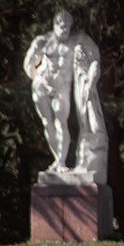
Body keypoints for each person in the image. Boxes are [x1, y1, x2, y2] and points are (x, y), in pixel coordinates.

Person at [24, 10, 105, 182]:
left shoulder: (78, 40)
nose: (64, 28)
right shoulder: (44, 41)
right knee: (47, 122)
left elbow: (95, 59)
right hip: (42, 85)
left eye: (67, 26)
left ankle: (61, 162)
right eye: (61, 25)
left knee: (61, 122)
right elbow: (28, 63)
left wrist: (91, 79)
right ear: (55, 25)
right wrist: (36, 77)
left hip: (62, 87)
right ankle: (57, 159)